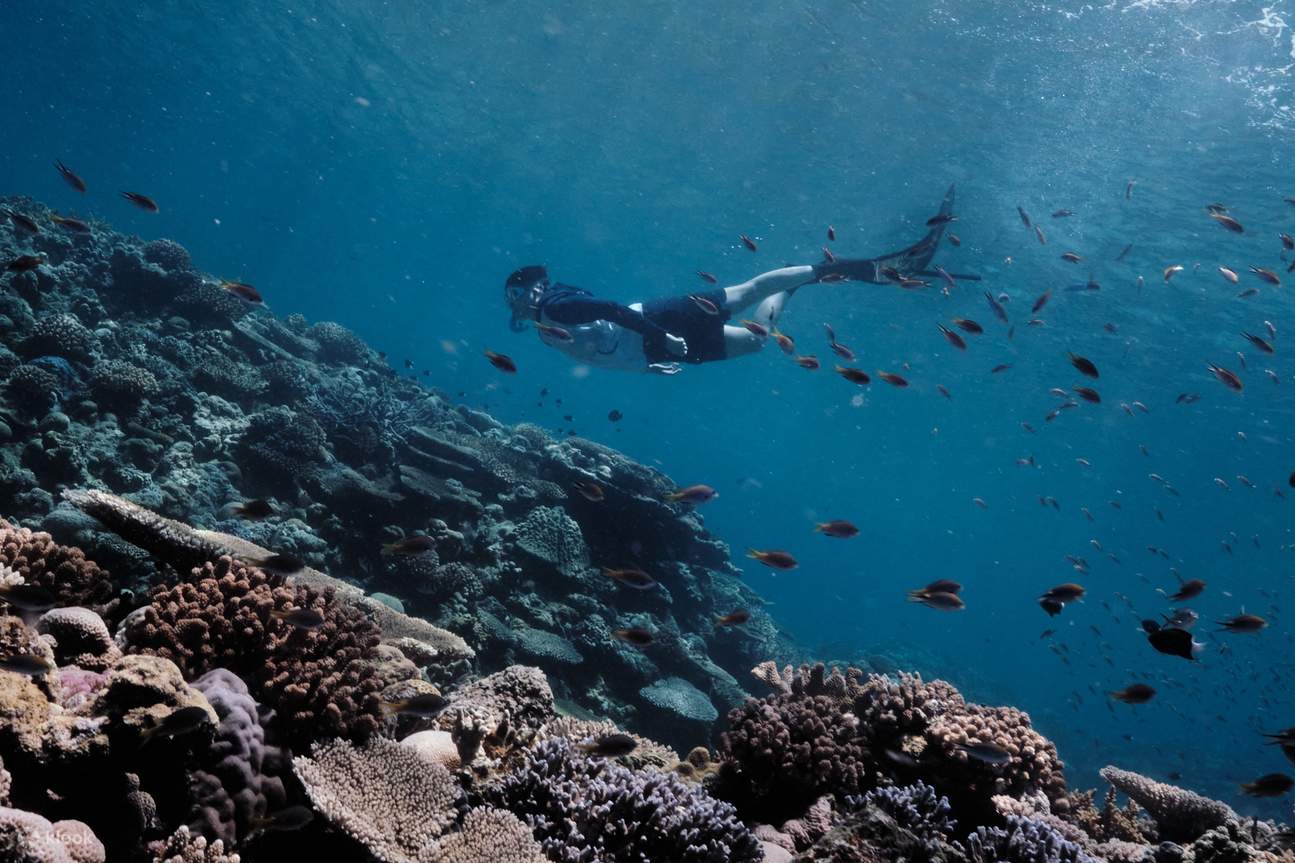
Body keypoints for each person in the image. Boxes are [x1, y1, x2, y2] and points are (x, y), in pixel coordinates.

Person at [503, 185, 972, 374]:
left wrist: (661, 337)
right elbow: (597, 347)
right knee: (758, 342)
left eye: (514, 295)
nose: (513, 305)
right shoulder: (550, 320)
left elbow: (609, 310)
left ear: (530, 292)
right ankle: (796, 285)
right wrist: (648, 361)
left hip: (660, 323)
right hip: (654, 345)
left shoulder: (556, 308)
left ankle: (851, 268)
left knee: (749, 291)